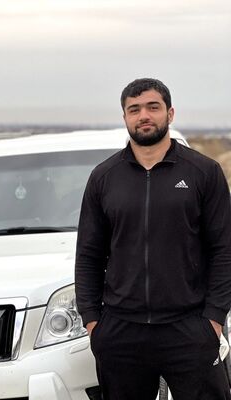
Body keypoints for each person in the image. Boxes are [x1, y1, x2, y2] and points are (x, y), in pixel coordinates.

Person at [75, 78, 231, 400]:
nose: (143, 115)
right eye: (134, 109)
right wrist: (93, 323)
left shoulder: (204, 172)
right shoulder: (104, 178)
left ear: (170, 114)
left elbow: (224, 250)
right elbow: (89, 255)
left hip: (189, 328)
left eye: (152, 107)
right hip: (121, 332)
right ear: (125, 117)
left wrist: (214, 319)